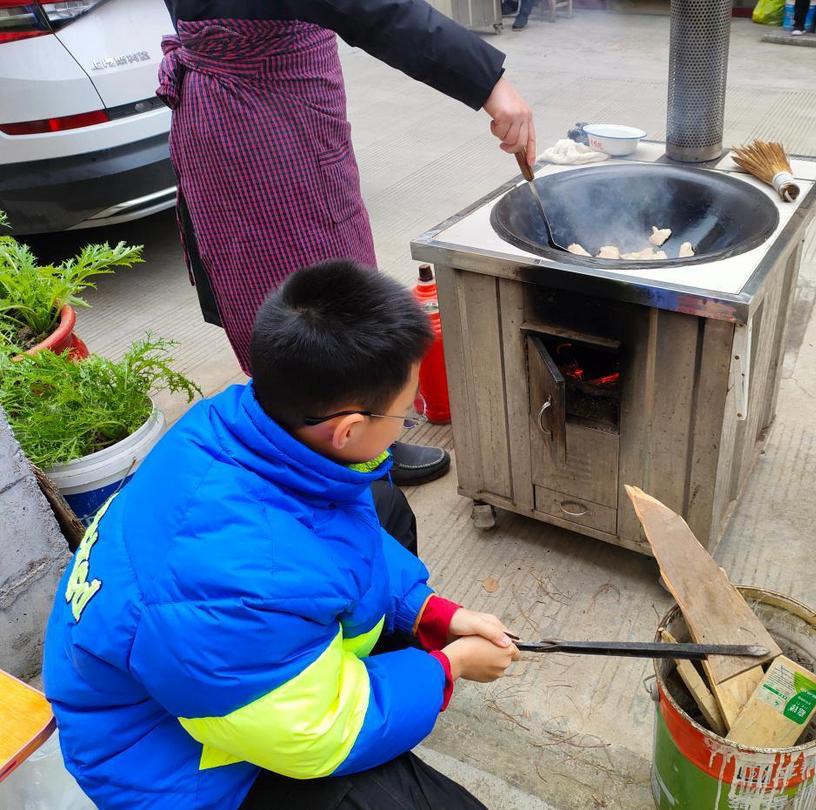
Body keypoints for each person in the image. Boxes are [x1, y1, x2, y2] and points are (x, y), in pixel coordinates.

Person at [42, 261, 520, 809]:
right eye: (405, 413)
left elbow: (335, 534)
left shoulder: (237, 422)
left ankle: (340, 666)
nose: (409, 416)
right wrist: (447, 670)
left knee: (382, 503)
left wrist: (429, 612)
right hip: (175, 767)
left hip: (211, 657)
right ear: (349, 429)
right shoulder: (245, 580)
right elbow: (316, 736)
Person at [158, 0, 537, 486]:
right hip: (258, 122)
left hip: (282, 105)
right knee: (303, 301)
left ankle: (368, 435)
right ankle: (330, 464)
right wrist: (490, 84)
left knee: (340, 276)